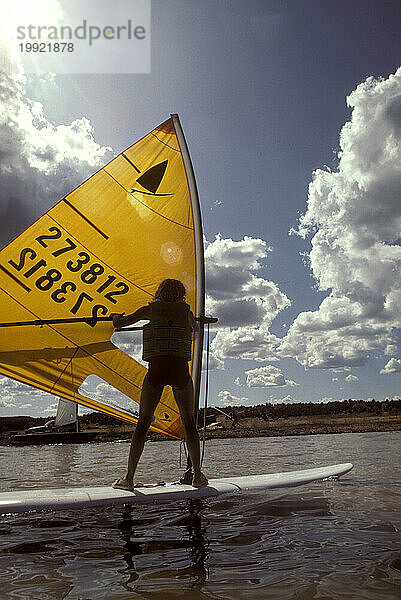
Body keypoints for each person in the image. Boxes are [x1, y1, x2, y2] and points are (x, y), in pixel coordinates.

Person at [111, 278, 208, 490]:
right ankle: (198, 475)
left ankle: (128, 478)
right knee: (189, 423)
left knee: (143, 423)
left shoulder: (149, 310)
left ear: (159, 292)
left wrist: (115, 317)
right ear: (181, 295)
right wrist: (196, 323)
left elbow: (120, 324)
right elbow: (196, 330)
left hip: (157, 371)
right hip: (180, 372)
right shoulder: (187, 313)